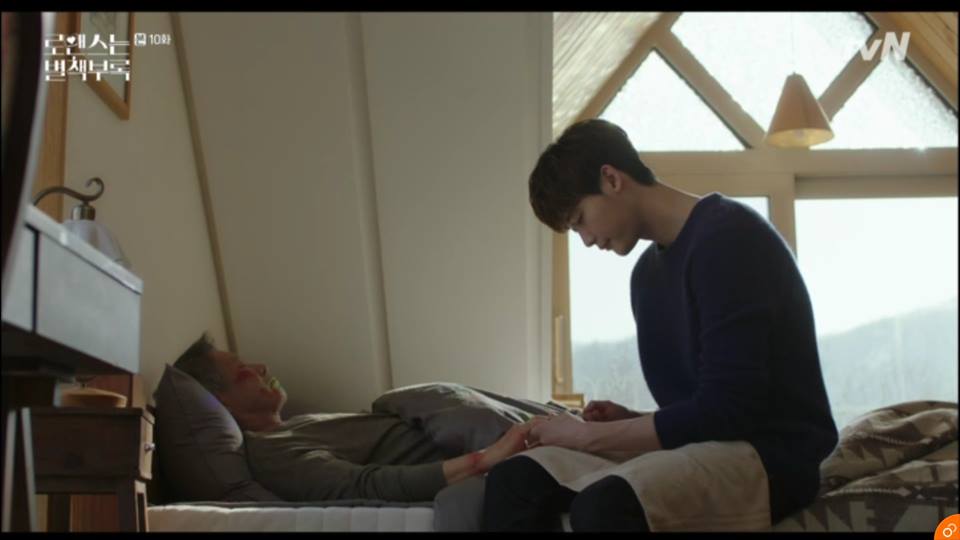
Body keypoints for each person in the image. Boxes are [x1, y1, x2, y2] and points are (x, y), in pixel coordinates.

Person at [481, 119, 839, 531]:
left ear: (612, 179)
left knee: (605, 506)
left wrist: (585, 436)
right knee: (515, 480)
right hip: (709, 445)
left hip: (773, 456)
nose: (587, 240)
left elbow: (730, 410)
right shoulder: (646, 277)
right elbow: (699, 409)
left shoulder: (730, 238)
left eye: (580, 219)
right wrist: (628, 419)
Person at [173, 334, 536, 503]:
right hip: (488, 447)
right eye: (242, 371)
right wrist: (482, 460)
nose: (261, 368)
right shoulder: (272, 453)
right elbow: (366, 486)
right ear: (222, 403)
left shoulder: (298, 425)